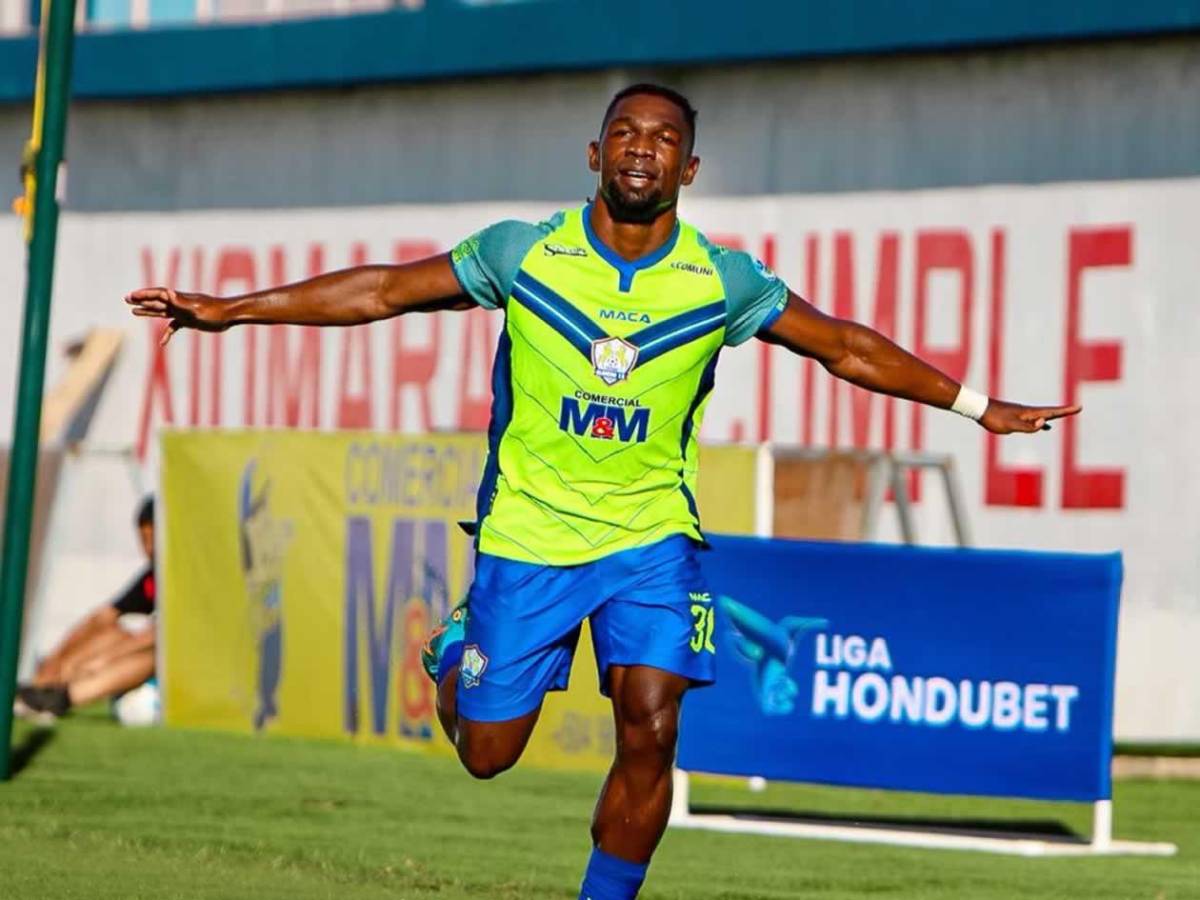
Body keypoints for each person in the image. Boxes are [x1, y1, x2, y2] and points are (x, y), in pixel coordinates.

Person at [126, 84, 1079, 899]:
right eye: (626, 133)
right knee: (488, 753)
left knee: (653, 721)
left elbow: (843, 346)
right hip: (530, 536)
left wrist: (978, 405)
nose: (643, 149)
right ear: (594, 152)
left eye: (665, 139)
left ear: (690, 171)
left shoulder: (721, 279)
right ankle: (459, 650)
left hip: (651, 538)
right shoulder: (521, 255)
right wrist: (235, 310)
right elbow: (382, 291)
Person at [16, 496, 158, 721]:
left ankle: (62, 698)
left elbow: (160, 636)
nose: (149, 548)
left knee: (152, 654)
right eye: (144, 539)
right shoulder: (152, 577)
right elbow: (102, 616)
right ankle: (42, 686)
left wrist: (99, 663)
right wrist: (56, 658)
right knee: (111, 632)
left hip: (172, 669)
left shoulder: (182, 579)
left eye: (153, 539)